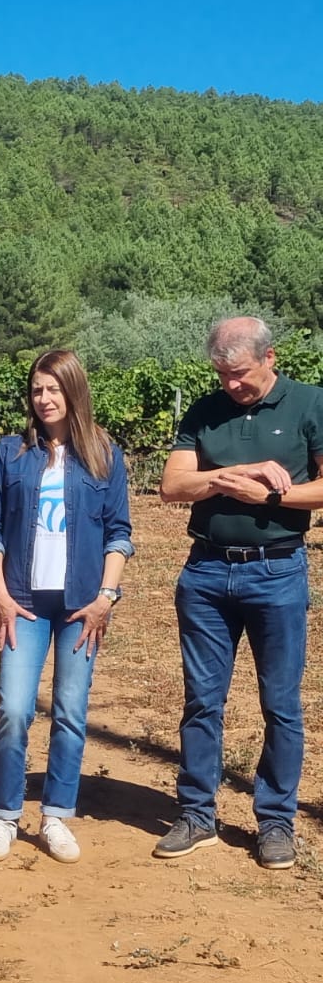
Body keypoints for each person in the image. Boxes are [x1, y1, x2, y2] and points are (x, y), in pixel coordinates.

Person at [155, 316, 323, 871]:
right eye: (223, 375)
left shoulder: (309, 404)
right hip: (205, 573)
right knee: (202, 701)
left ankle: (275, 822)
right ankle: (197, 814)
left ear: (270, 357)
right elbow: (173, 486)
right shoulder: (204, 410)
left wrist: (270, 498)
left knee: (280, 705)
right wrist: (239, 473)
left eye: (241, 375)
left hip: (277, 572)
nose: (232, 386)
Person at [0, 350, 134, 864]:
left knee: (70, 712)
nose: (44, 399)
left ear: (73, 392)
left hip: (81, 607)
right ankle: (2, 815)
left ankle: (56, 815)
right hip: (21, 603)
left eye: (54, 389)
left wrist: (105, 598)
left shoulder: (105, 455)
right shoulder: (10, 453)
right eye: (37, 389)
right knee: (14, 709)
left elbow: (118, 533)